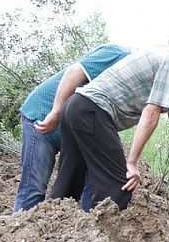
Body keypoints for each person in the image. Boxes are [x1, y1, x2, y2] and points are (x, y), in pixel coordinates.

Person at [49, 37, 169, 210]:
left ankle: (51, 227)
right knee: (120, 186)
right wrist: (131, 162)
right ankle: (100, 235)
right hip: (93, 111)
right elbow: (151, 112)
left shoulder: (166, 55)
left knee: (68, 183)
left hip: (75, 107)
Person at [14, 44, 131, 213]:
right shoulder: (117, 55)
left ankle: (85, 231)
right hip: (42, 115)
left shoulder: (132, 87)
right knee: (34, 186)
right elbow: (75, 71)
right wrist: (56, 112)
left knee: (93, 181)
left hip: (77, 131)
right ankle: (19, 235)